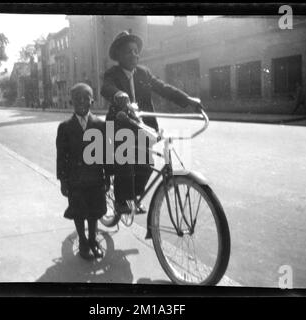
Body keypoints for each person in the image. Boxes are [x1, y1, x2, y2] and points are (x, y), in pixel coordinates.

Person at [101, 30, 203, 214]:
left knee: (146, 164)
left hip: (142, 125)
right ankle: (120, 201)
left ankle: (134, 196)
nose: (134, 55)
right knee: (125, 162)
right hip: (119, 125)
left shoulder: (144, 73)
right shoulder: (112, 74)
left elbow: (164, 88)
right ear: (119, 56)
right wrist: (118, 94)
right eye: (128, 52)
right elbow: (106, 87)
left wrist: (188, 100)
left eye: (135, 51)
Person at [56, 83, 109, 260]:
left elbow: (106, 154)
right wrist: (63, 181)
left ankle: (93, 240)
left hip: (95, 178)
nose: (81, 101)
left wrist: (107, 176)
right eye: (77, 98)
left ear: (92, 100)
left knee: (94, 211)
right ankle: (83, 241)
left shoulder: (100, 125)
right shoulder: (65, 127)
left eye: (85, 98)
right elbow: (61, 157)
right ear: (71, 101)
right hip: (75, 179)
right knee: (79, 211)